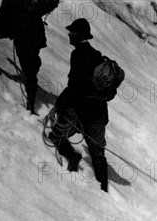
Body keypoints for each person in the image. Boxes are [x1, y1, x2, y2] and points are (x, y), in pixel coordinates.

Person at [48, 18, 110, 192]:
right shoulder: (97, 55)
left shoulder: (78, 54)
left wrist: (58, 105)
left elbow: (74, 86)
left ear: (79, 35)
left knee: (56, 135)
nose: (69, 34)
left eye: (72, 32)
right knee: (98, 152)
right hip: (99, 113)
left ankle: (73, 160)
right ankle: (103, 189)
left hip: (82, 111)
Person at [0, 0, 52, 114]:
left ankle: (31, 106)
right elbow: (4, 14)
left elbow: (48, 4)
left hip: (29, 33)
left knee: (30, 69)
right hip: (15, 27)